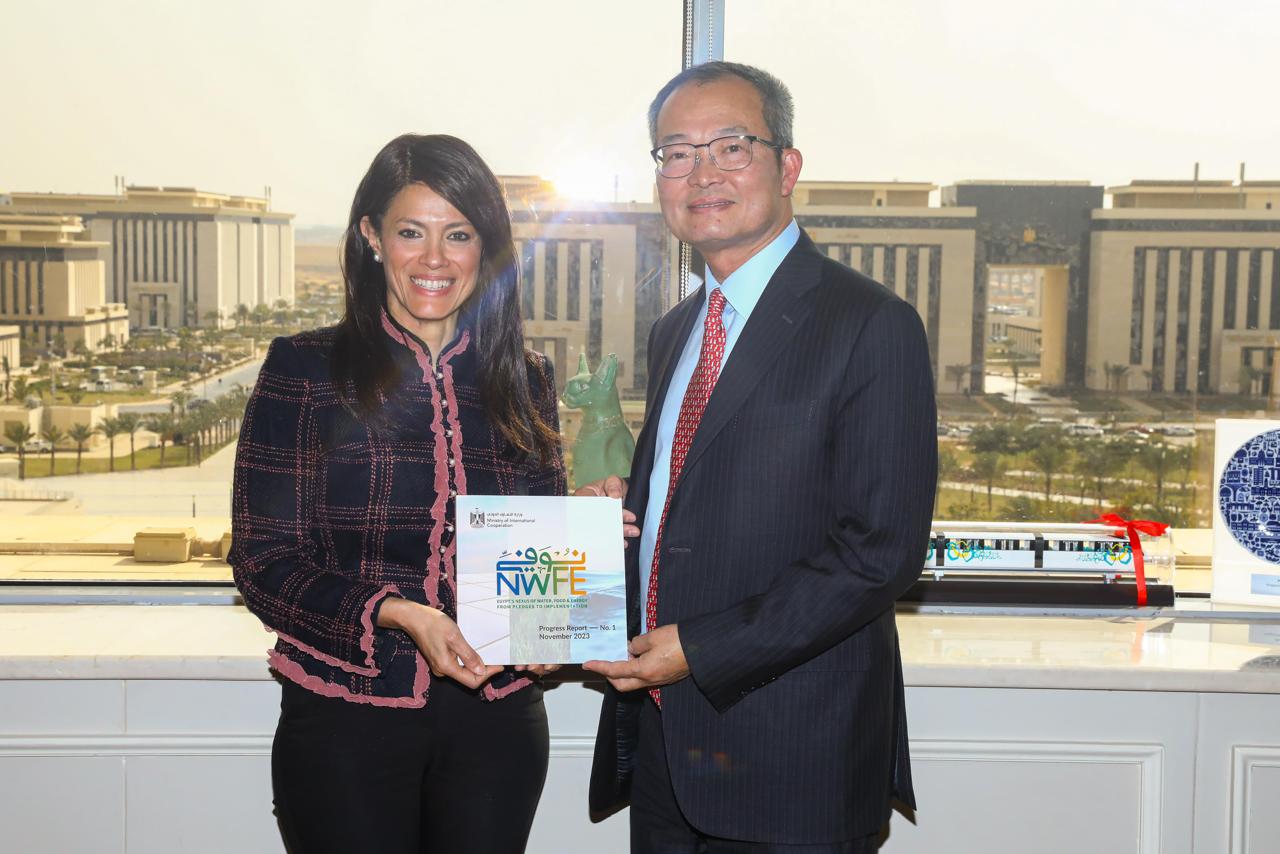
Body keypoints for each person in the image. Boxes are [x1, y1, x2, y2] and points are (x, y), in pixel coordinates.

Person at [581, 62, 938, 852]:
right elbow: (705, 495)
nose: (702, 173)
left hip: (793, 759)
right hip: (665, 752)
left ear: (788, 167)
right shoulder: (676, 330)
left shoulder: (870, 323)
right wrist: (620, 519)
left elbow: (880, 552)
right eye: (677, 152)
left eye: (731, 146)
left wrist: (702, 650)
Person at [229, 133, 565, 854]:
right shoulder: (305, 369)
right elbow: (263, 561)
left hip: (498, 721)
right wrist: (397, 613)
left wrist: (554, 615)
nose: (435, 258)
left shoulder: (525, 376)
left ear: (486, 248)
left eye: (459, 234)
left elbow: (536, 550)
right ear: (372, 237)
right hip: (346, 718)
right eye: (412, 232)